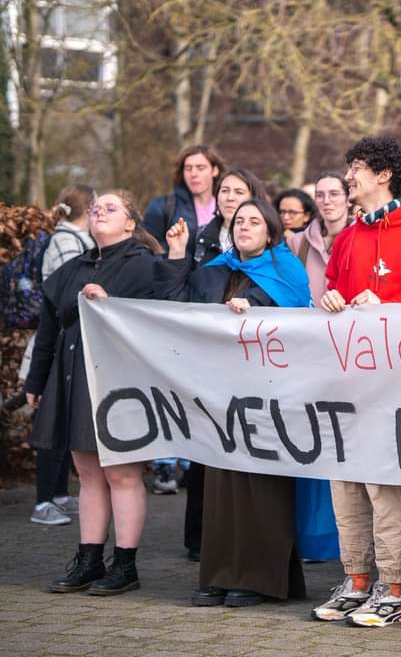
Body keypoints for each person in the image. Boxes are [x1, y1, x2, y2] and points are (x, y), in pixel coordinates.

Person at [311, 135, 401, 628]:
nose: (348, 176)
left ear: (383, 174)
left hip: (397, 386)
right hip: (348, 383)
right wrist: (328, 301)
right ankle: (356, 580)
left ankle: (394, 590)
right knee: (345, 483)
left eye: (356, 168)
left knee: (385, 485)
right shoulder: (347, 238)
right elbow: (332, 296)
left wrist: (387, 309)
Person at [159, 200, 311, 608]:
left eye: (254, 221)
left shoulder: (286, 272)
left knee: (260, 487)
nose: (245, 226)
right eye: (239, 220)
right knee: (221, 488)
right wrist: (177, 255)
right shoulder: (215, 270)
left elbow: (300, 325)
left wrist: (255, 311)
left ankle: (260, 579)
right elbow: (175, 307)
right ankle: (221, 574)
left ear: (270, 232)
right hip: (220, 394)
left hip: (267, 394)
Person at [25, 190, 161, 595]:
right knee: (87, 474)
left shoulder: (146, 266)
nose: (99, 211)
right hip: (72, 377)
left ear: (131, 223)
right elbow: (48, 330)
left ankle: (125, 565)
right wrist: (36, 382)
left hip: (123, 383)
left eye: (111, 207)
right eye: (95, 207)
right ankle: (89, 560)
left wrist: (112, 305)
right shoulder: (74, 267)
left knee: (121, 473)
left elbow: (161, 322)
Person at [287, 172, 353, 564]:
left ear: (348, 197)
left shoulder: (361, 236)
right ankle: (314, 537)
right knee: (312, 442)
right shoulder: (298, 242)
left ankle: (346, 537)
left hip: (351, 354)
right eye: (321, 195)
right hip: (308, 354)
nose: (327, 200)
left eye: (334, 194)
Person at [23, 184, 95, 527]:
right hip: (57, 346)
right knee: (51, 420)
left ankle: (60, 493)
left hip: (69, 344)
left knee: (65, 420)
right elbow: (68, 295)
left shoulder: (76, 240)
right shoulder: (67, 242)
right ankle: (43, 502)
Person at [144, 144, 226, 250]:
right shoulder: (161, 207)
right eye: (188, 168)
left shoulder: (228, 205)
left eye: (200, 168)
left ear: (214, 170)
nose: (193, 174)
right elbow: (149, 249)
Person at [190, 168, 269, 267]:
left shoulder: (269, 238)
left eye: (239, 192)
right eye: (224, 191)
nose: (230, 198)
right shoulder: (197, 235)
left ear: (254, 199)